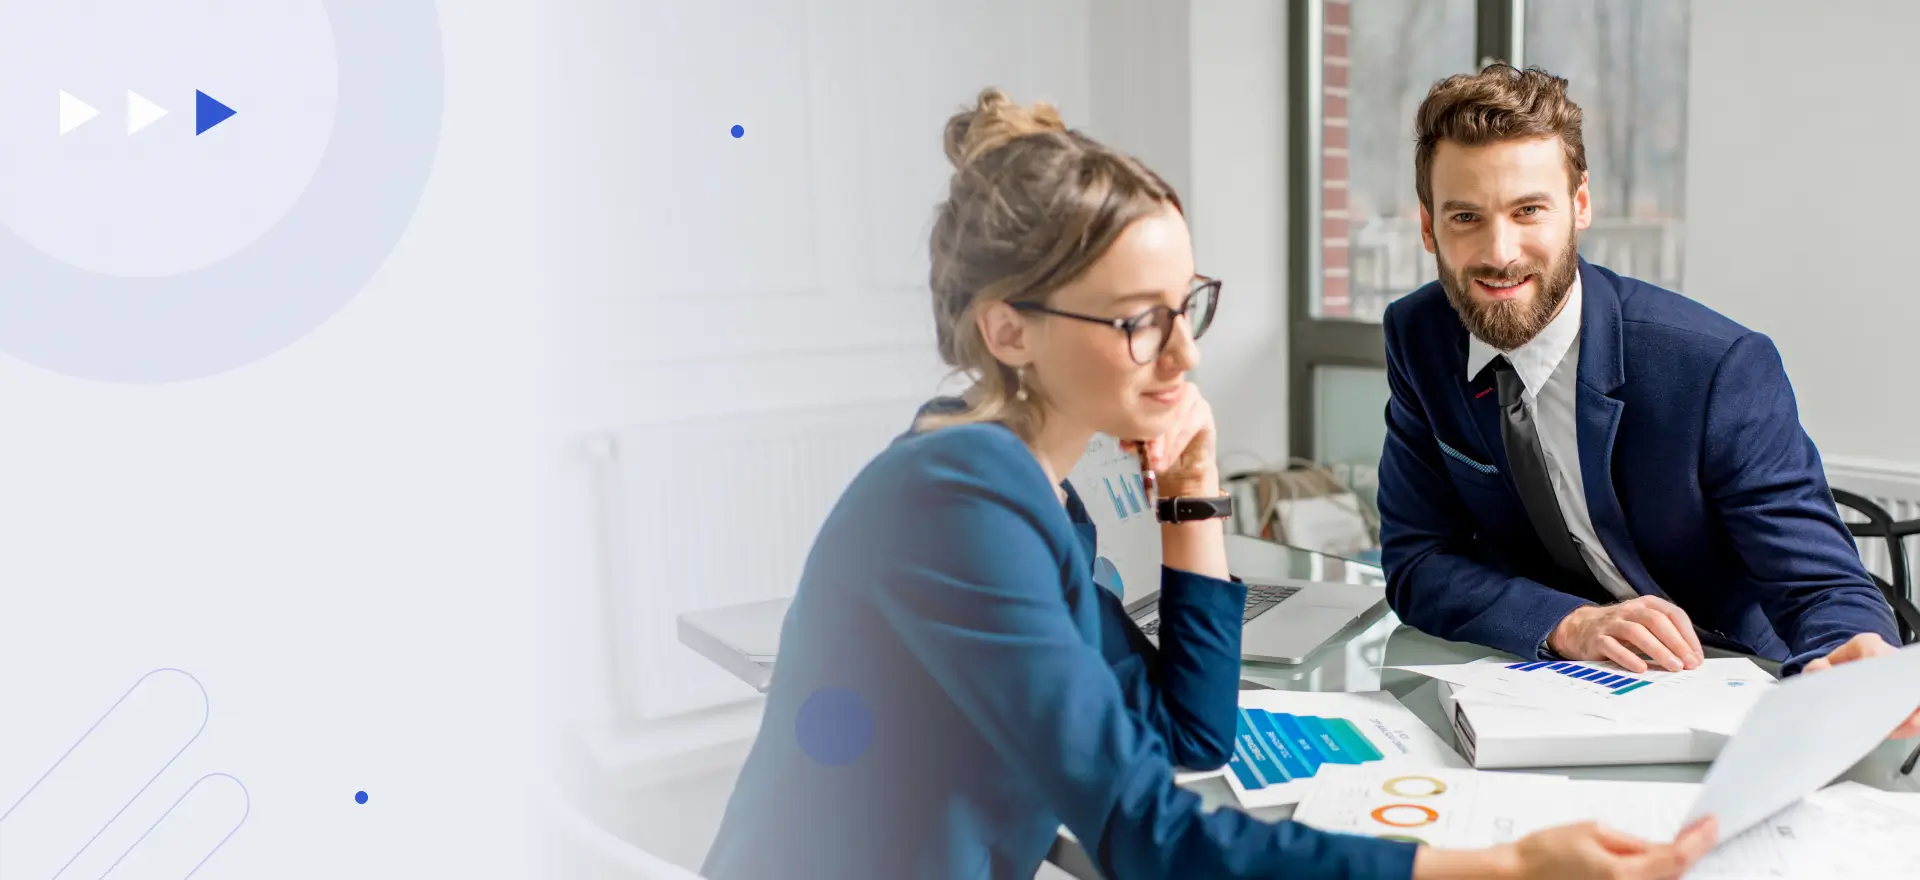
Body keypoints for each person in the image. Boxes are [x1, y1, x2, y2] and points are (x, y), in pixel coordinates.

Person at [701, 86, 1717, 880]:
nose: (1185, 355)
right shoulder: (958, 504)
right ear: (1010, 330)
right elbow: (1146, 833)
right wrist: (1498, 867)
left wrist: (1192, 497)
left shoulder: (1030, 494)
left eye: (1185, 305)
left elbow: (1184, 732)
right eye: (1138, 320)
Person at [1377, 62, 1920, 736]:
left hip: (1727, 678)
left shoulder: (1714, 366)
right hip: (1543, 687)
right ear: (1428, 226)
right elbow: (1417, 562)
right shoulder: (1420, 335)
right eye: (1466, 217)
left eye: (1528, 211)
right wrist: (1569, 624)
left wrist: (1849, 652)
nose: (1500, 252)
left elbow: (1822, 588)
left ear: (1579, 205)